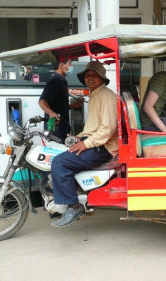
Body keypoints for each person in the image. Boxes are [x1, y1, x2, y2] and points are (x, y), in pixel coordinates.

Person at [50, 61, 118, 227]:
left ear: (102, 78)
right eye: (87, 75)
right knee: (58, 153)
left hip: (104, 148)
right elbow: (94, 127)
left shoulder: (106, 96)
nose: (90, 78)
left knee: (59, 163)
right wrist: (79, 137)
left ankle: (74, 206)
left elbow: (108, 129)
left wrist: (86, 144)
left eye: (94, 75)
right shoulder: (94, 95)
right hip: (97, 142)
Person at [38, 58, 83, 142]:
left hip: (62, 127)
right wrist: (51, 113)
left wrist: (72, 106)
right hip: (56, 130)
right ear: (62, 65)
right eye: (70, 63)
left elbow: (58, 105)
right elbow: (42, 101)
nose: (71, 66)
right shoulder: (55, 80)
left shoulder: (61, 81)